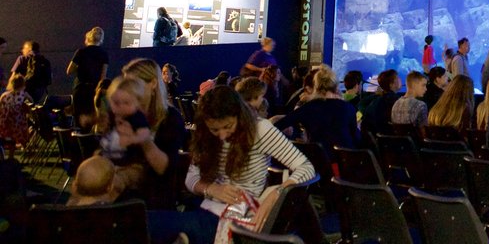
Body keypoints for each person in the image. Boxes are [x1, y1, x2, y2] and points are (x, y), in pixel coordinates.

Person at [185, 86, 315, 242]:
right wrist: (210, 189)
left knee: (164, 225)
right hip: (207, 207)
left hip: (237, 214)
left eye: (228, 127)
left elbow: (306, 168)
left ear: (240, 117)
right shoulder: (205, 134)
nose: (222, 135)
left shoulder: (259, 129)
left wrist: (278, 193)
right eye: (215, 130)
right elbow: (191, 178)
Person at [121, 58, 188, 210]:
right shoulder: (126, 115)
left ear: (152, 84)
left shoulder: (170, 118)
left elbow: (163, 169)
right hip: (124, 195)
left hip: (154, 200)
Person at [275, 66, 360, 152]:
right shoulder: (349, 108)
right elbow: (357, 139)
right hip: (344, 161)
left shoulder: (308, 108)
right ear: (335, 86)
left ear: (316, 86)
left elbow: (277, 126)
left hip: (317, 161)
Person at [68, 27, 109, 128]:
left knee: (79, 119)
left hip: (80, 88)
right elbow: (103, 76)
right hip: (94, 90)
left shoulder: (80, 52)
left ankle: (78, 140)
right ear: (101, 39)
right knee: (92, 119)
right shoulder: (104, 54)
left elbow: (69, 71)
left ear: (88, 38)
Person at [360, 69, 401, 135]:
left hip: (378, 140)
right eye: (397, 78)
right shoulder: (397, 101)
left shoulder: (374, 102)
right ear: (391, 84)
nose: (400, 79)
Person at [0, 74, 31, 146]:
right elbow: (31, 103)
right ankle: (23, 146)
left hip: (4, 123)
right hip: (17, 123)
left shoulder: (4, 95)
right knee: (23, 121)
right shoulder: (23, 94)